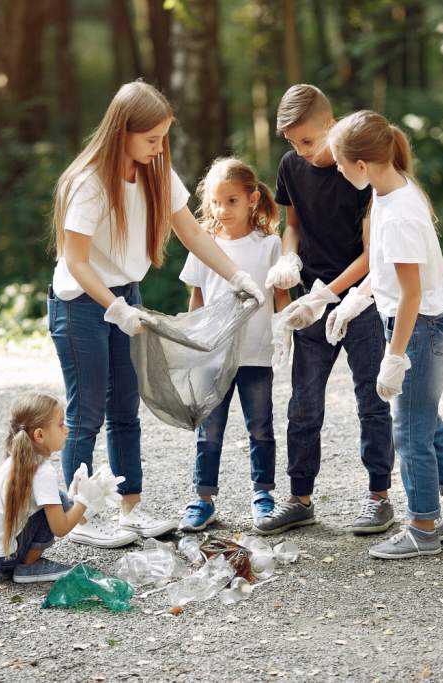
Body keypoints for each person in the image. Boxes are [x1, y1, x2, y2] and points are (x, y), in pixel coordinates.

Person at [48, 81, 265, 548]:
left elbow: (193, 234)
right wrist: (115, 308)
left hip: (126, 293)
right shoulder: (86, 183)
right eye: (151, 139)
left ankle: (130, 511)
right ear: (121, 132)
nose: (158, 148)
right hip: (81, 302)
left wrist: (236, 276)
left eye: (163, 138)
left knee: (126, 409)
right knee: (87, 413)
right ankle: (77, 517)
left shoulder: (156, 172)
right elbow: (76, 262)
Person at [327, 110, 443, 559]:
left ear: (361, 165)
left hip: (420, 327)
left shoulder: (399, 213)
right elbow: (386, 271)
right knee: (424, 417)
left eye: (340, 164)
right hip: (413, 320)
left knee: (409, 431)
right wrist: (355, 300)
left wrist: (394, 357)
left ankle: (422, 527)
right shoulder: (388, 192)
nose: (338, 171)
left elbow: (412, 294)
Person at [255, 84, 394, 536]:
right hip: (310, 303)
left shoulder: (359, 171)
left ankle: (379, 497)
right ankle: (300, 499)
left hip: (361, 302)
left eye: (308, 141)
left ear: (331, 126)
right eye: (292, 143)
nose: (300, 151)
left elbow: (372, 254)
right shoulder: (292, 166)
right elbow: (291, 225)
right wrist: (288, 258)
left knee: (371, 400)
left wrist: (326, 296)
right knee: (303, 404)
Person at [176, 158, 292, 532]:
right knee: (209, 430)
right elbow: (197, 299)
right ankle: (203, 499)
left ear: (253, 199)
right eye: (215, 202)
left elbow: (281, 296)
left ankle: (263, 495)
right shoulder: (203, 245)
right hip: (214, 358)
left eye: (231, 201)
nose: (221, 210)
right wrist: (192, 343)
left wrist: (284, 332)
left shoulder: (269, 245)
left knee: (260, 427)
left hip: (257, 355)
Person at [0, 393, 122, 582]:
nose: (67, 429)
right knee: (53, 504)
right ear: (39, 435)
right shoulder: (42, 470)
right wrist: (84, 500)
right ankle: (28, 566)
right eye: (61, 424)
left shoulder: (18, 459)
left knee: (57, 498)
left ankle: (27, 559)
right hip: (3, 558)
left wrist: (78, 497)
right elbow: (60, 528)